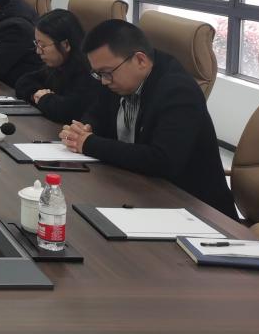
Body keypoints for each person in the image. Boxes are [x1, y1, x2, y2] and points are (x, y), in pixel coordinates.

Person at [59, 19, 236, 218]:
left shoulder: (178, 91)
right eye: (98, 74)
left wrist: (89, 143)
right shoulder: (117, 78)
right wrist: (85, 128)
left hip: (195, 210)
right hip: (137, 190)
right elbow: (96, 112)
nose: (103, 81)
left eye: (106, 73)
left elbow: (162, 160)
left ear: (140, 61)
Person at [13, 9, 95, 124]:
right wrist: (37, 94)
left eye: (42, 45)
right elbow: (23, 82)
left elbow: (67, 111)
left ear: (65, 45)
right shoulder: (57, 65)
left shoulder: (89, 72)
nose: (38, 51)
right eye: (37, 44)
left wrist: (44, 98)